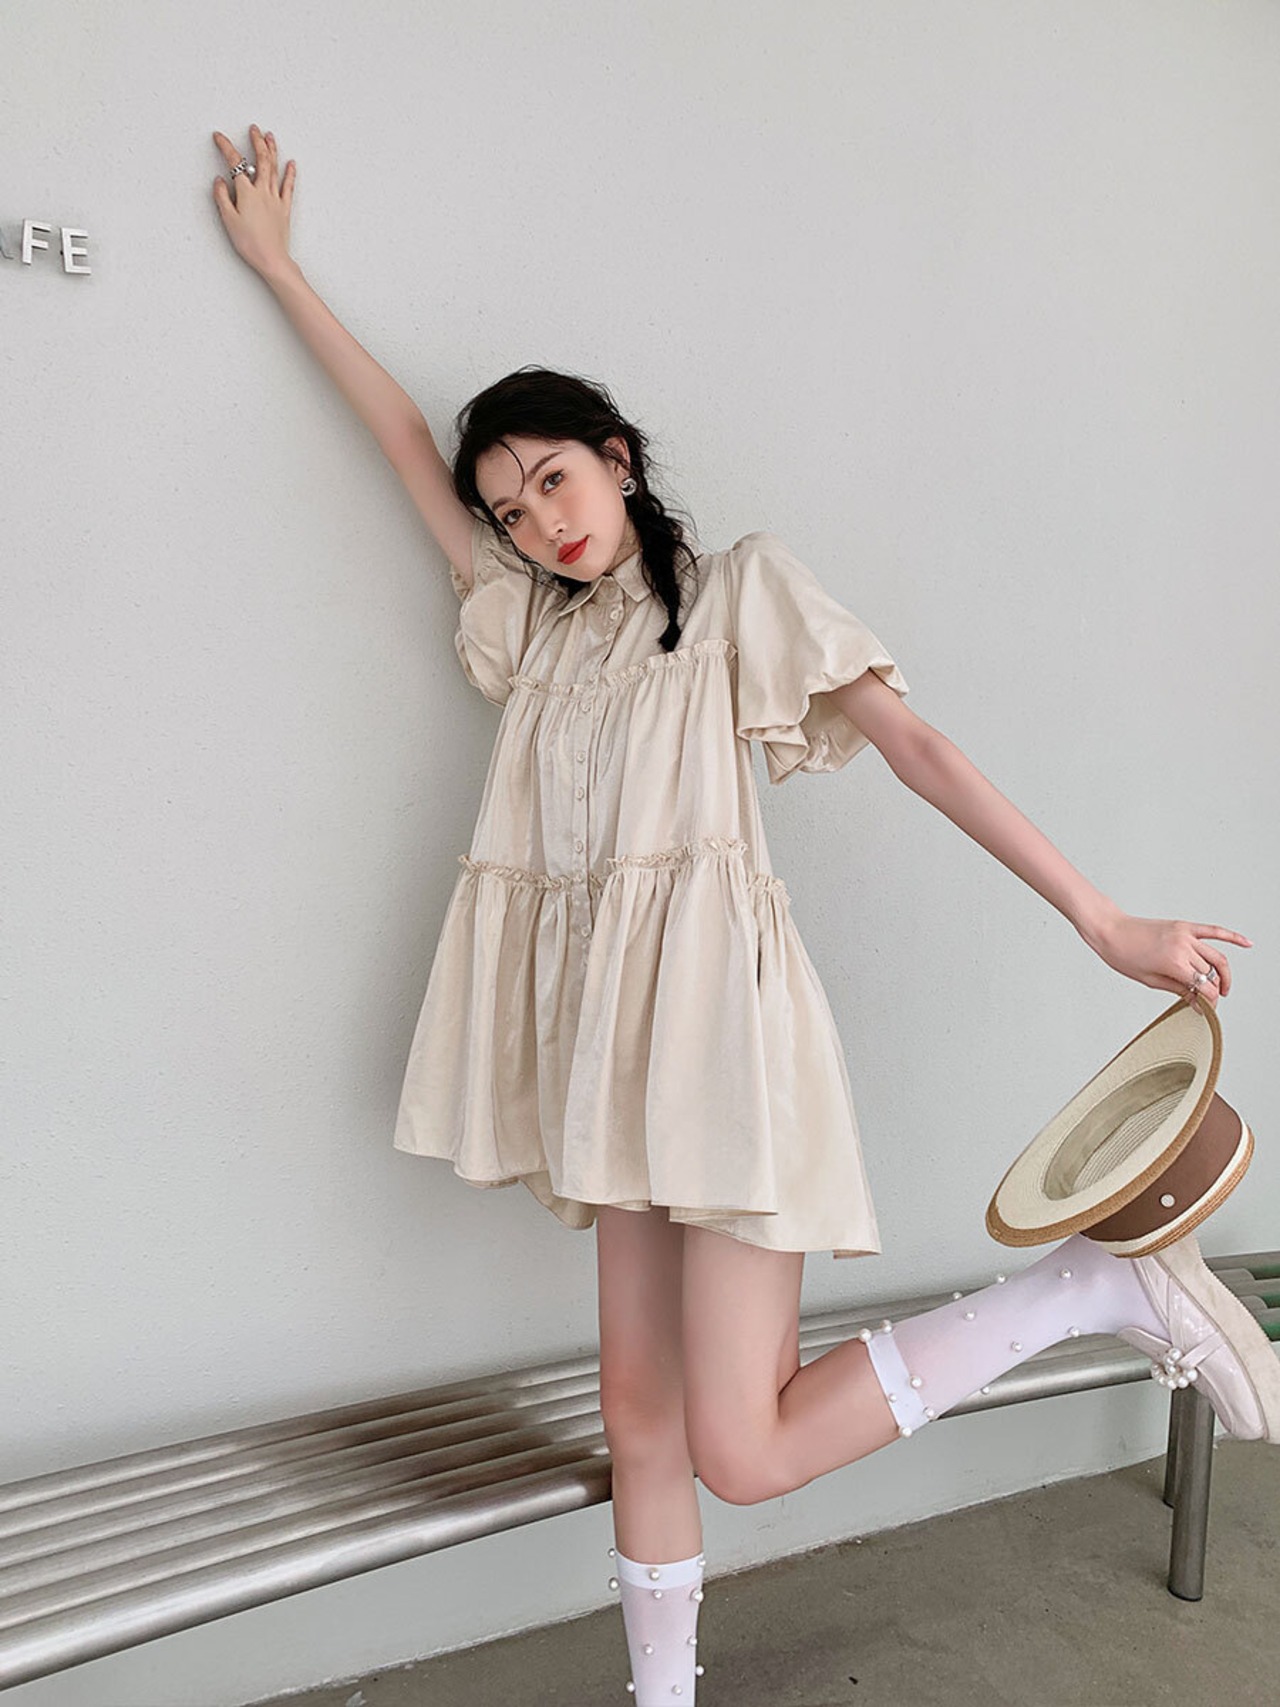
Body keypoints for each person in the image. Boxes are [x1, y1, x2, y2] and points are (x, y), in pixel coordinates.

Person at [211, 125, 1274, 1704]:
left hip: (719, 1040)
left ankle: (1091, 1287)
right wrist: (282, 276)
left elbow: (915, 745)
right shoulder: (530, 634)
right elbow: (399, 447)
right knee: (639, 1419)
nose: (540, 520)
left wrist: (1102, 920)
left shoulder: (738, 595)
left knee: (745, 1449)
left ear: (618, 459)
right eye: (511, 509)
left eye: (554, 478)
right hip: (607, 1059)